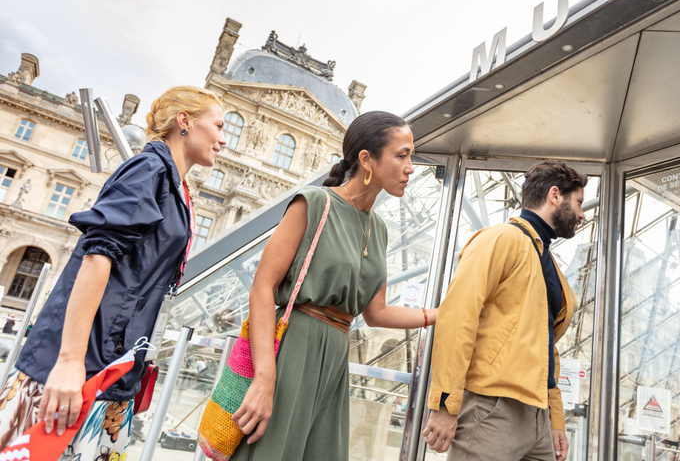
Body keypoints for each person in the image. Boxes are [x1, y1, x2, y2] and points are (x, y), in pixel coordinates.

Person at [0, 86, 226, 456]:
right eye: (218, 125)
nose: (223, 138)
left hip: (113, 368)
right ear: (184, 121)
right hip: (82, 367)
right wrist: (70, 362)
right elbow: (97, 257)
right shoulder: (149, 169)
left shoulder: (175, 186)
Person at [230, 111, 438, 461]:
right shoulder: (313, 203)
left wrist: (441, 314)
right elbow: (262, 287)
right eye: (402, 155)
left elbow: (377, 313)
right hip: (293, 351)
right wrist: (266, 378)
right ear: (367, 159)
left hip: (336, 358)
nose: (410, 167)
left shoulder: (380, 228)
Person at [422, 160, 587, 461]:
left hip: (536, 415)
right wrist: (445, 404)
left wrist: (554, 418)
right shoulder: (501, 239)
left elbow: (546, 345)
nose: (581, 213)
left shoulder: (544, 258)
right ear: (554, 196)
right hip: (492, 409)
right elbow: (458, 318)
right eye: (578, 202)